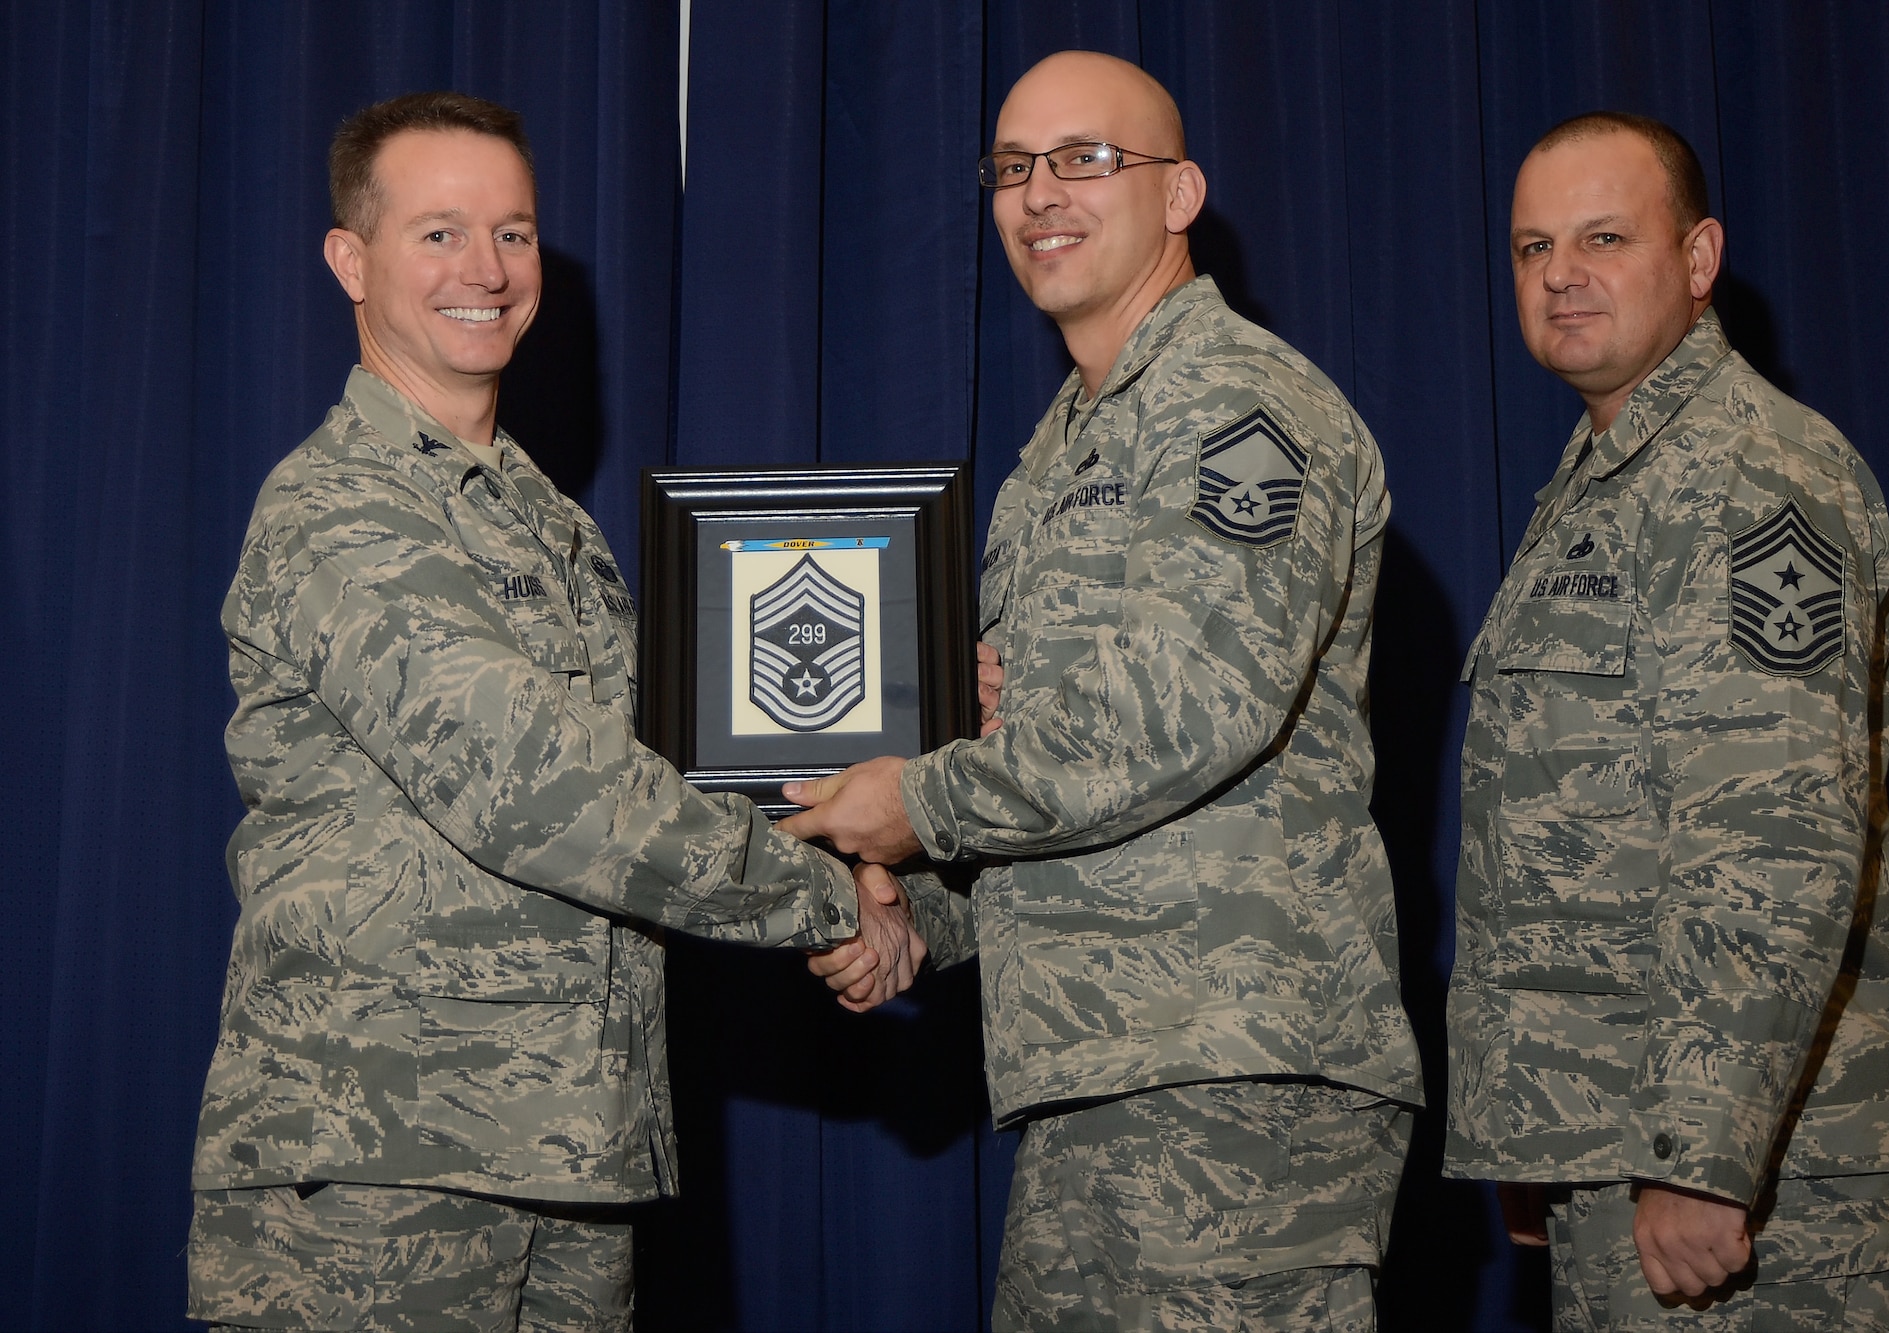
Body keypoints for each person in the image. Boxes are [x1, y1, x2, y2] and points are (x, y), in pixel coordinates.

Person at [185, 91, 920, 1330]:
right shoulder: (339, 509)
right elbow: (547, 789)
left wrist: (914, 726)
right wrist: (831, 902)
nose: (485, 269)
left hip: (573, 1149)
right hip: (384, 1163)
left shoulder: (546, 523)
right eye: (438, 233)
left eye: (513, 233)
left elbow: (684, 765)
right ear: (349, 260)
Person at [782, 51, 1422, 1331]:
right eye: (1012, 167)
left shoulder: (1239, 404)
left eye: (1084, 159)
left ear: (1178, 192)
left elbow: (1184, 709)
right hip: (1102, 1072)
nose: (1037, 196)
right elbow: (1055, 775)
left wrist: (921, 799)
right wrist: (916, 919)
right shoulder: (1061, 449)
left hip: (1231, 1079)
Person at [1445, 111, 1889, 1329]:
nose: (1559, 273)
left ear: (1699, 259)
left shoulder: (1752, 470)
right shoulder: (1606, 474)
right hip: (1621, 1148)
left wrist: (1695, 1149)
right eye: (1530, 247)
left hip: (1761, 1178)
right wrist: (1547, 1125)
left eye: (1603, 237)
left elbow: (1769, 831)